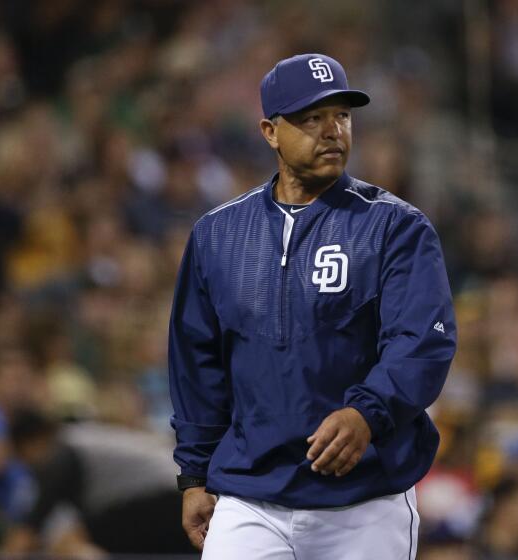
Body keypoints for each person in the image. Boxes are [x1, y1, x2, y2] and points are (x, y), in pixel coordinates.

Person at [168, 53, 457, 559]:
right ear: (270, 131)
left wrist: (368, 412)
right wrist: (194, 473)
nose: (332, 131)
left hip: (364, 498)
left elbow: (422, 342)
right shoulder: (218, 234)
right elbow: (197, 363)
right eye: (311, 118)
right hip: (250, 494)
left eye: (341, 116)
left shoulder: (395, 227)